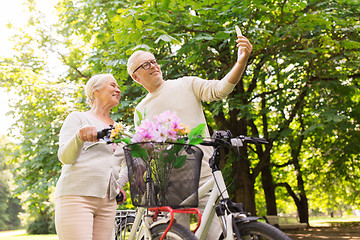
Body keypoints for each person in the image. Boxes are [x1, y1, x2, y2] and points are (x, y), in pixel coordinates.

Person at [126, 29, 253, 239]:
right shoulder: (141, 108)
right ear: (135, 76)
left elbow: (220, 89)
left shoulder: (187, 84)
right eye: (146, 64)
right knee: (174, 233)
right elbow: (143, 149)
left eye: (154, 61)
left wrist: (241, 62)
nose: (154, 66)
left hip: (203, 171)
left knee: (220, 231)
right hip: (170, 179)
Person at [55, 74, 128, 240]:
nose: (118, 90)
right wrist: (79, 137)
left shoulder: (120, 130)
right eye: (112, 85)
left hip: (107, 203)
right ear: (96, 90)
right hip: (76, 196)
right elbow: (65, 157)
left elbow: (128, 163)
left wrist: (118, 185)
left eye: (118, 87)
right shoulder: (78, 118)